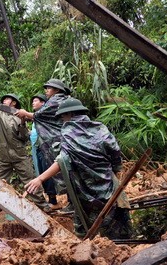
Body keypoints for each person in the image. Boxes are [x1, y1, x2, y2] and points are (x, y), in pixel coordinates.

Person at [25, 98, 132, 239]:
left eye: (63, 116)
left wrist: (40, 178)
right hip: (108, 183)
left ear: (70, 114)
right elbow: (115, 152)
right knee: (114, 218)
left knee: (88, 223)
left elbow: (62, 160)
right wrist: (115, 170)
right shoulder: (100, 128)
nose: (62, 120)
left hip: (85, 188)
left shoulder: (68, 132)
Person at [15, 79, 71, 212]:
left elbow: (39, 115)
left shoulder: (56, 100)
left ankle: (73, 204)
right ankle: (71, 203)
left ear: (57, 90)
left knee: (65, 172)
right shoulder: (63, 99)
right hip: (59, 143)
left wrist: (25, 113)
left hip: (58, 143)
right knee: (65, 172)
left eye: (49, 88)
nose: (46, 90)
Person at [30, 94, 60, 209]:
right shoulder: (37, 118)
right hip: (38, 148)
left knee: (48, 173)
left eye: (36, 100)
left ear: (43, 103)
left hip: (47, 149)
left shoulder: (44, 115)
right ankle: (50, 198)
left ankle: (53, 200)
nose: (33, 103)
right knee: (42, 171)